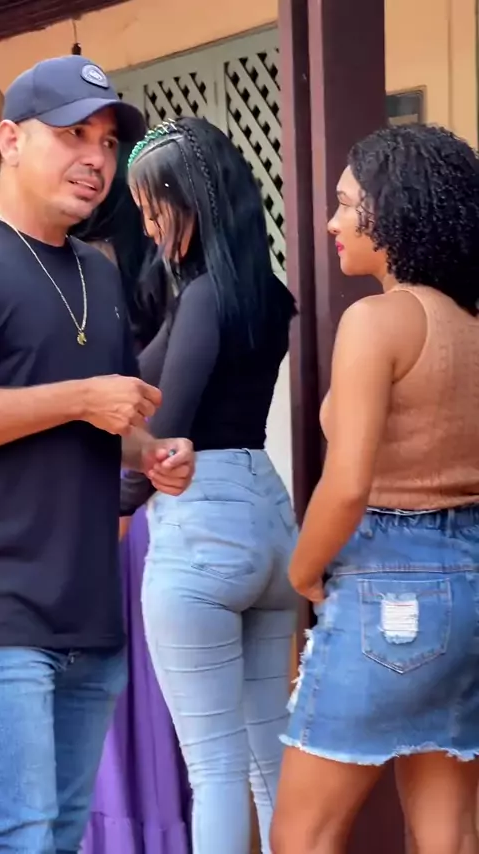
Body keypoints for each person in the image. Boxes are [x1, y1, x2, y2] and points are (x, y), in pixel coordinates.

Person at [0, 56, 194, 853]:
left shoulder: (99, 272)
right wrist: (82, 398)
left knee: (59, 837)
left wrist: (152, 450)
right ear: (10, 140)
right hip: (7, 614)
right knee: (22, 836)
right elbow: (85, 399)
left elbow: (112, 420)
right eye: (73, 134)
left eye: (108, 143)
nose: (96, 159)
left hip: (91, 614)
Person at [271, 123, 479, 854]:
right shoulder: (470, 325)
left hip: (388, 587)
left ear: (395, 208)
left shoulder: (377, 321)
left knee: (302, 836)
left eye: (345, 203)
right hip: (470, 583)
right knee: (449, 835)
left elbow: (348, 482)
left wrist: (302, 571)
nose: (332, 222)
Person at [120, 116, 299, 854]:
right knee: (270, 756)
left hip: (203, 525)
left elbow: (168, 430)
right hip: (269, 519)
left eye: (153, 206)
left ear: (191, 199)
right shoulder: (268, 294)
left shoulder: (202, 298)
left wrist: (119, 508)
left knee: (215, 767)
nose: (148, 224)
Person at [74, 159, 191, 854]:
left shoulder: (88, 271)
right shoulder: (158, 281)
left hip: (113, 518)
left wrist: (117, 509)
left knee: (111, 716)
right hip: (135, 516)